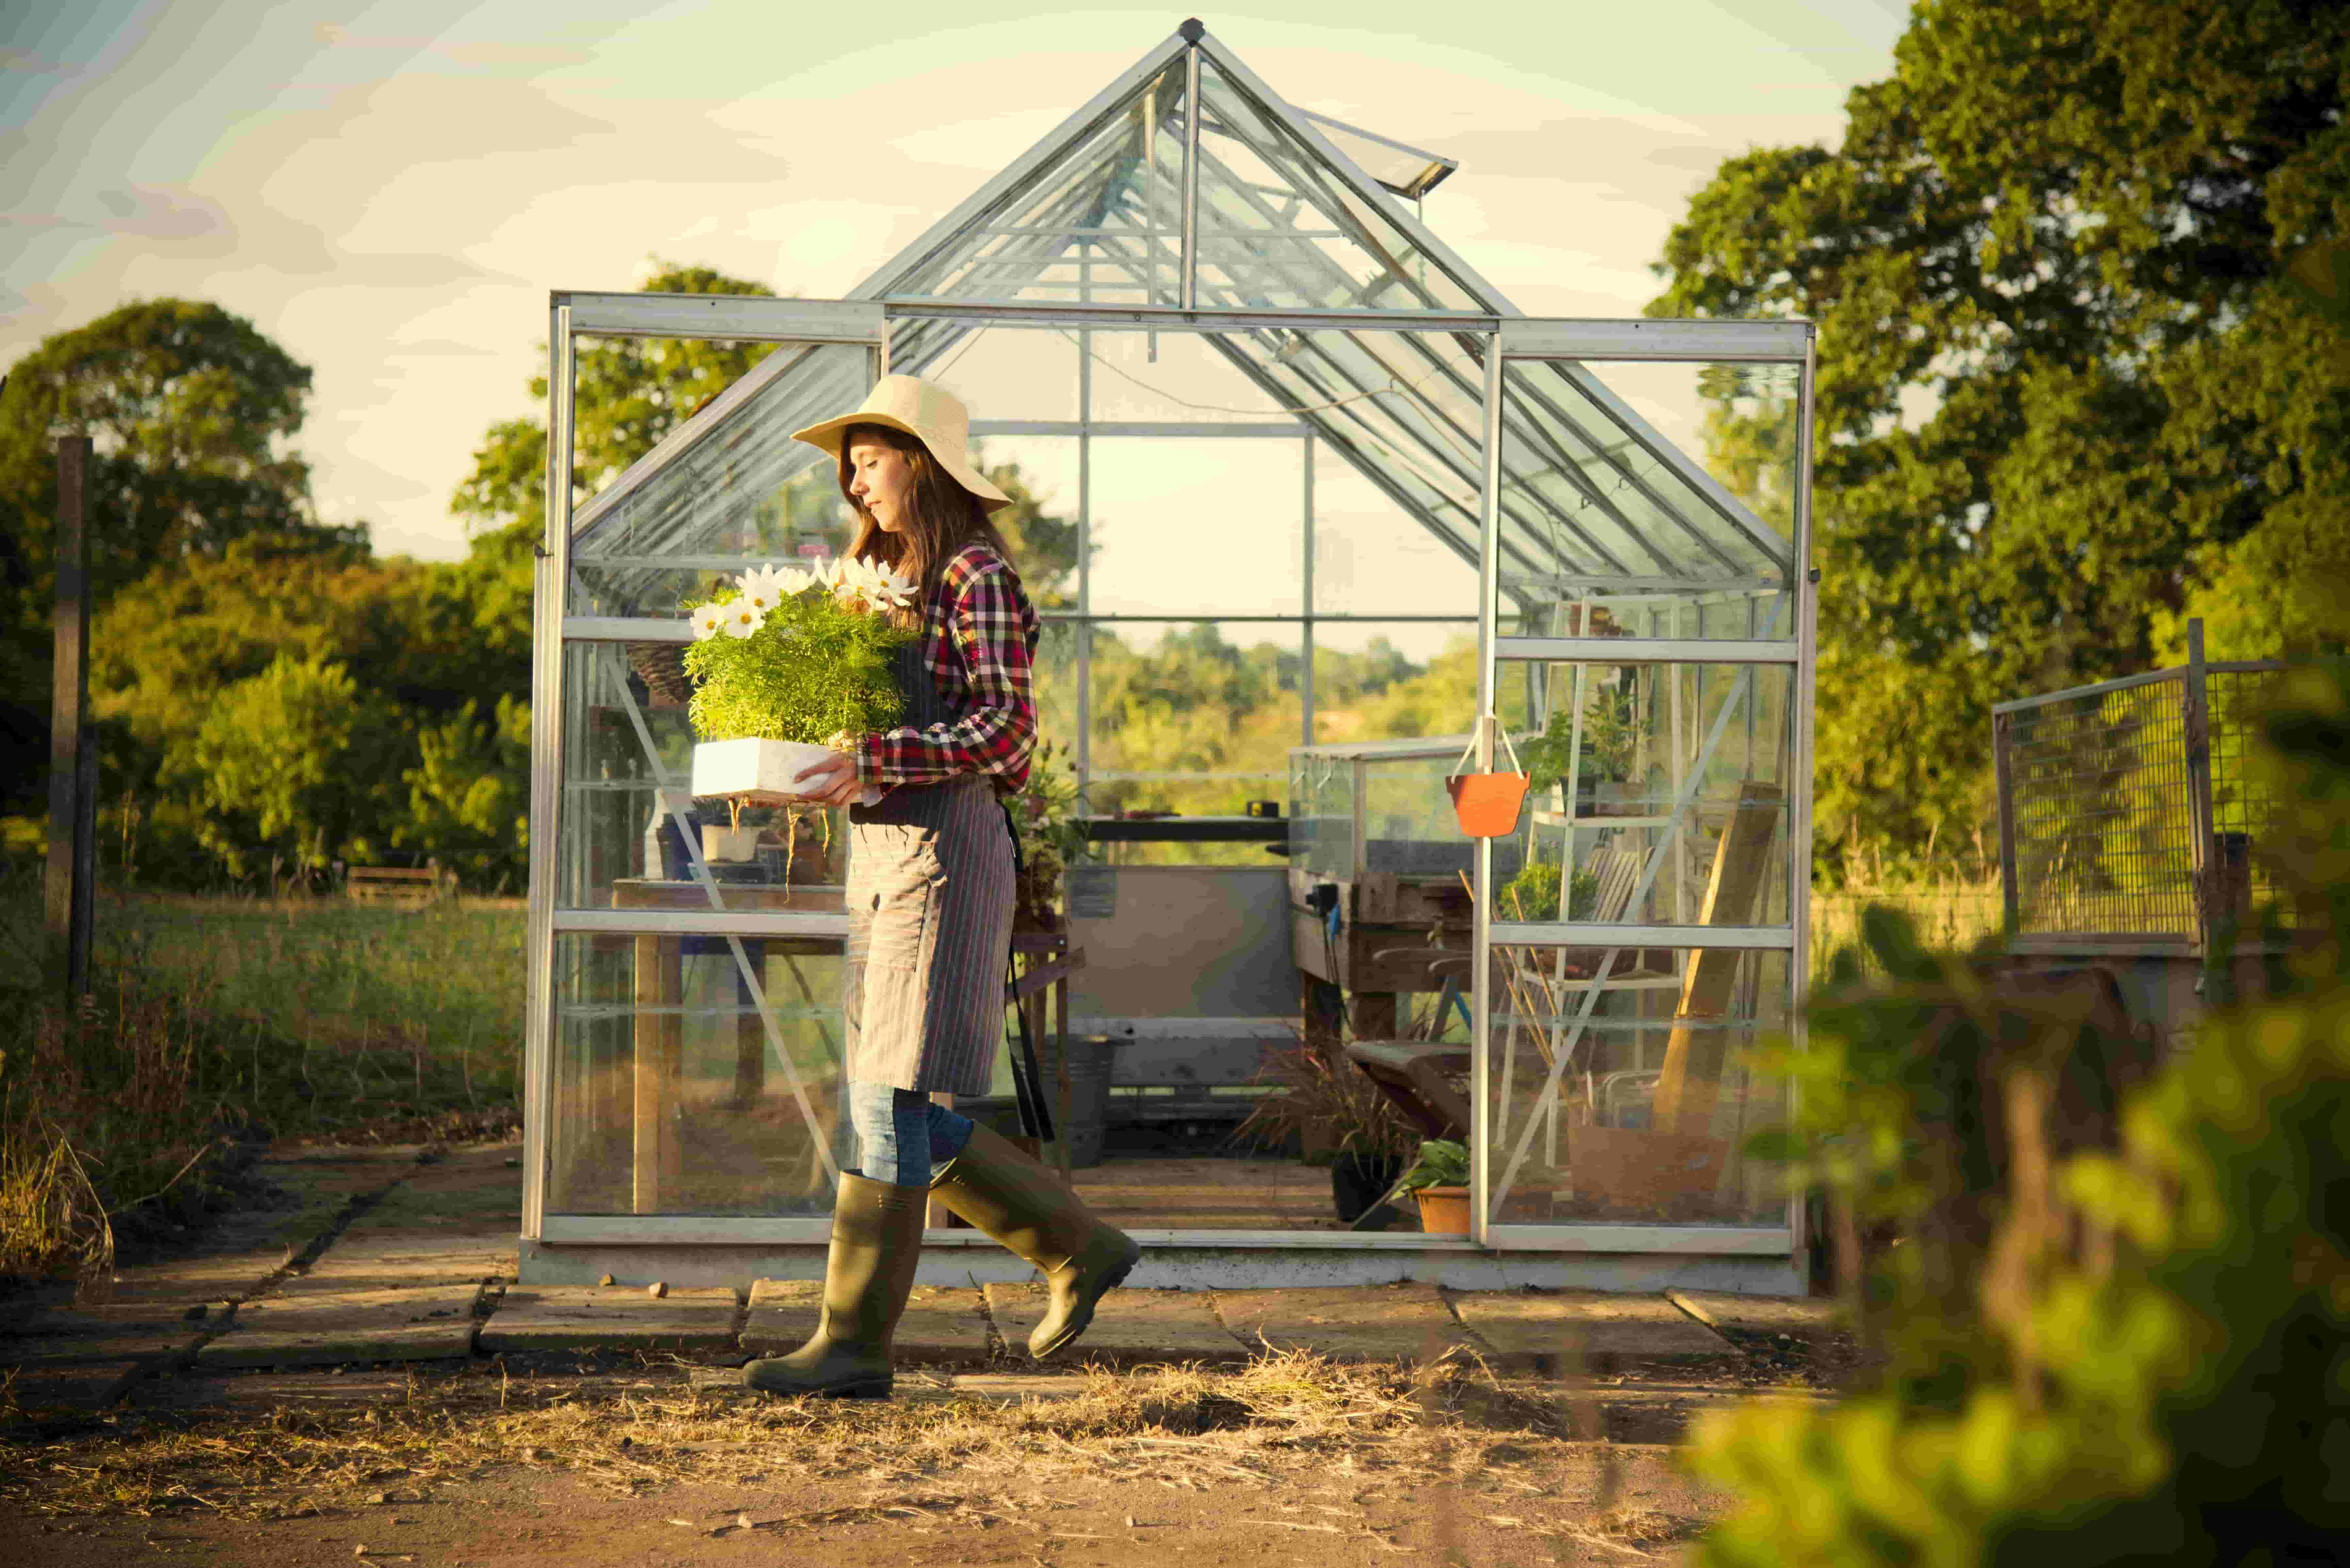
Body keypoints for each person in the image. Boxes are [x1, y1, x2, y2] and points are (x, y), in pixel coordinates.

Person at [738, 375, 1140, 1401]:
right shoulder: (884, 587)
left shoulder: (975, 578)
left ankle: (855, 1342)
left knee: (884, 1094)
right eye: (849, 462)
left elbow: (1005, 730)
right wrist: (825, 761)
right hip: (885, 853)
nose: (852, 478)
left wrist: (876, 750)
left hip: (946, 854)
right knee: (890, 1095)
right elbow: (886, 735)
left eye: (869, 457)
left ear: (920, 463)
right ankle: (1076, 1245)